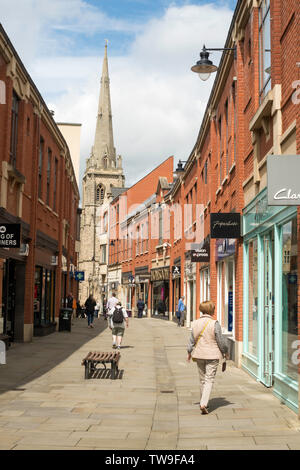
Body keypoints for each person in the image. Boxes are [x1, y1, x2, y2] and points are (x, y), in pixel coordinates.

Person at [187, 300, 228, 415]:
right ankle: (204, 404)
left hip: (199, 354)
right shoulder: (214, 323)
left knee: (202, 379)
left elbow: (191, 340)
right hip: (212, 355)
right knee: (209, 379)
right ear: (211, 310)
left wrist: (189, 352)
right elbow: (221, 340)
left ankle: (203, 401)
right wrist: (225, 351)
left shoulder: (194, 323)